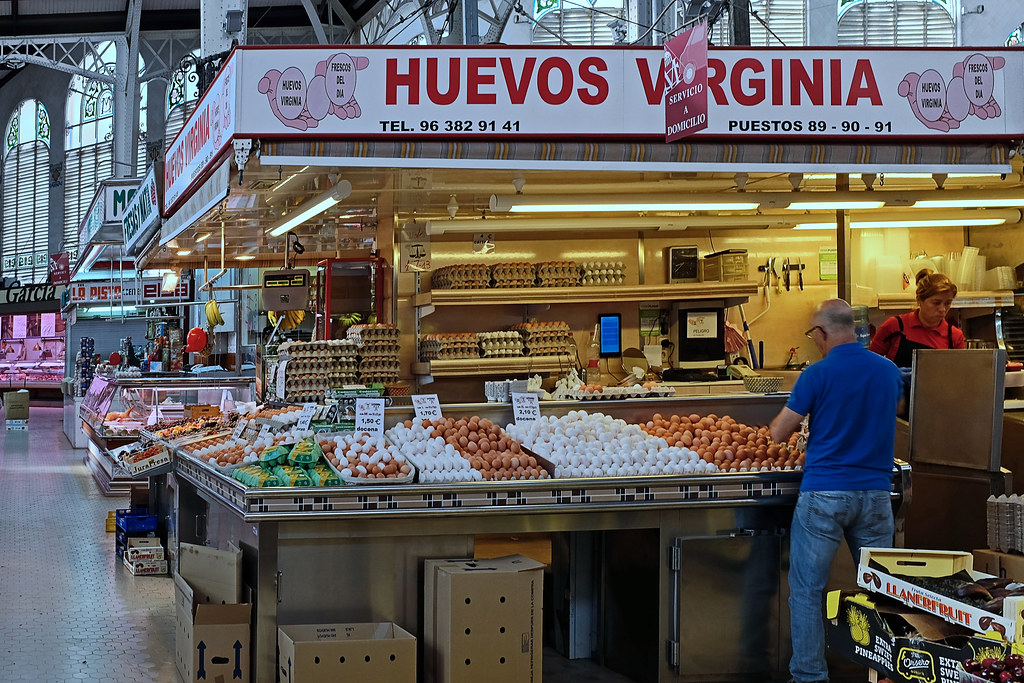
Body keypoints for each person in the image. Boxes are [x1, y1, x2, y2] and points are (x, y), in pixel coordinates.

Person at [769, 299, 904, 683]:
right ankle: (885, 673)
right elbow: (894, 410)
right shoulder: (888, 371)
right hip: (876, 495)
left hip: (825, 495)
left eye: (813, 334)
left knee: (808, 591)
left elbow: (780, 432)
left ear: (823, 333)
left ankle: (810, 677)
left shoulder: (817, 374)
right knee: (883, 591)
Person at [869, 268, 965, 367]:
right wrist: (892, 374)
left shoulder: (954, 336)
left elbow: (958, 376)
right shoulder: (895, 326)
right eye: (936, 303)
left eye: (947, 303)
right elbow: (869, 364)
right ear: (919, 300)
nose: (942, 309)